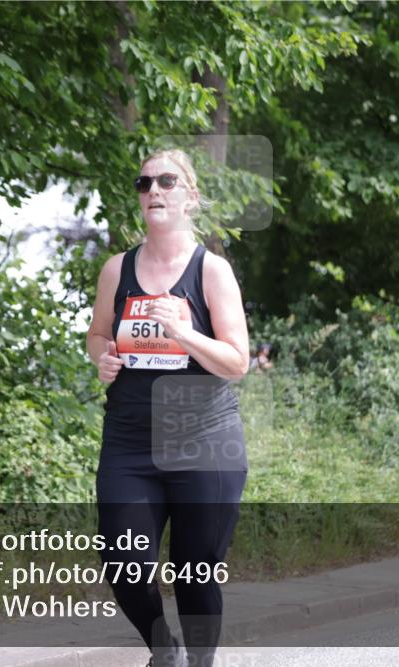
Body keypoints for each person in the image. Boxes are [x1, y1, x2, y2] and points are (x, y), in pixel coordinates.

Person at [86, 148, 250, 667]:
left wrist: (183, 332)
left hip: (204, 442)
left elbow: (237, 361)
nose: (153, 190)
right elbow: (96, 334)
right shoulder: (118, 269)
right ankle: (165, 651)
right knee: (124, 563)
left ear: (190, 198)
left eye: (167, 181)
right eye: (144, 183)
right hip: (131, 440)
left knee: (193, 570)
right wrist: (102, 357)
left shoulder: (212, 271)